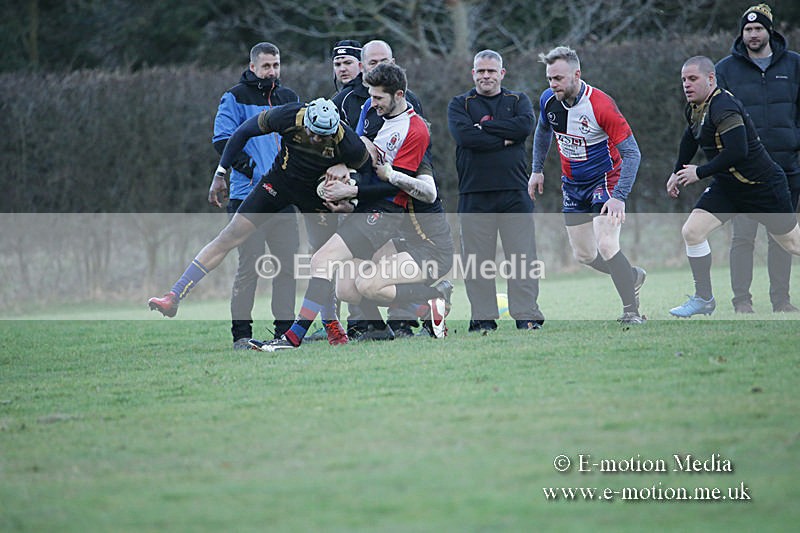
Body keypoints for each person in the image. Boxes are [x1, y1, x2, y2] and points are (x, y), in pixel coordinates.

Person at [148, 98, 370, 347]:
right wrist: (220, 173)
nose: (317, 140)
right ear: (306, 120)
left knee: (322, 258)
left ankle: (331, 323)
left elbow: (367, 171)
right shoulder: (288, 116)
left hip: (317, 197)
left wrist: (346, 170)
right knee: (229, 236)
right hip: (278, 184)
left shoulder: (347, 142)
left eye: (324, 137)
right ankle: (174, 295)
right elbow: (243, 132)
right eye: (313, 133)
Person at [250, 63, 435, 351]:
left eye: (378, 98)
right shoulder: (372, 113)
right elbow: (359, 152)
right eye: (370, 97)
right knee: (347, 288)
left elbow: (396, 184)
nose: (371, 104)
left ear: (399, 95)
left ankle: (293, 336)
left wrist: (352, 190)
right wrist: (342, 178)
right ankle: (422, 305)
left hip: (386, 211)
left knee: (321, 260)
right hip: (362, 206)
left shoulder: (416, 129)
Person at [666, 56, 800, 317]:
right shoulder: (695, 107)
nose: (686, 84)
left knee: (793, 244)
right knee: (692, 231)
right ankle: (704, 299)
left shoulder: (724, 107)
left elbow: (738, 150)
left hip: (763, 187)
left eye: (693, 79)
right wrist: (677, 170)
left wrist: (700, 172)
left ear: (711, 79)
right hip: (729, 187)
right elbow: (690, 137)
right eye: (684, 79)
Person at [530, 46, 646, 324]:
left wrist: (619, 197)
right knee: (584, 254)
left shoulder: (601, 105)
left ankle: (631, 312)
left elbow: (632, 153)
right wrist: (537, 170)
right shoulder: (548, 100)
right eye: (549, 79)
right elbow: (543, 130)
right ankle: (631, 276)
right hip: (572, 184)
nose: (552, 84)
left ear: (576, 75)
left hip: (606, 181)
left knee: (607, 244)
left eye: (558, 78)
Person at [449, 49, 546, 333]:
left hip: (514, 192)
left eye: (491, 71)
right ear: (473, 74)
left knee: (522, 258)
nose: (486, 76)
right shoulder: (460, 104)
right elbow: (464, 136)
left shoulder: (519, 100)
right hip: (474, 193)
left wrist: (484, 129)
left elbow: (525, 126)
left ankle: (527, 316)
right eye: (481, 71)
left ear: (502, 73)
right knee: (477, 262)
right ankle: (483, 320)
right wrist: (505, 139)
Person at [212, 42, 300, 350]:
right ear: (253, 67)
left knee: (287, 266)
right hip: (246, 196)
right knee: (249, 266)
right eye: (266, 66)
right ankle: (241, 334)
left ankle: (285, 332)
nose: (272, 71)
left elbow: (298, 141)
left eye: (276, 65)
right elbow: (223, 141)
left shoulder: (288, 98)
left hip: (283, 197)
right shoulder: (234, 98)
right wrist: (254, 170)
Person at [715, 3, 800, 314]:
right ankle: (742, 302)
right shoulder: (725, 69)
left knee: (783, 238)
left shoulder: (794, 65)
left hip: (786, 166)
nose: (752, 34)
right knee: (743, 239)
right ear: (742, 33)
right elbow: (717, 118)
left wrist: (794, 141)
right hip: (744, 170)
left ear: (769, 31)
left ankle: (781, 301)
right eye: (748, 29)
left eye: (758, 29)